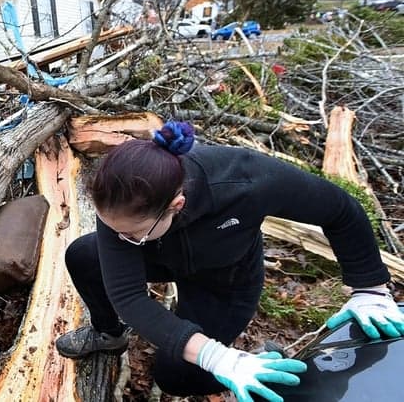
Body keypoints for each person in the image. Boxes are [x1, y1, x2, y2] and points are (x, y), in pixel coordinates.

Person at [55, 121, 404, 402]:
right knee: (83, 256)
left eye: (134, 233)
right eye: (117, 231)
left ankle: (265, 370)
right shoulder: (118, 199)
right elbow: (129, 296)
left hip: (224, 277)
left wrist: (369, 288)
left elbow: (341, 210)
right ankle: (108, 334)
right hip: (163, 255)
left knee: (174, 374)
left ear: (176, 206)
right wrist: (212, 353)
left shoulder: (247, 181)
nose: (123, 241)